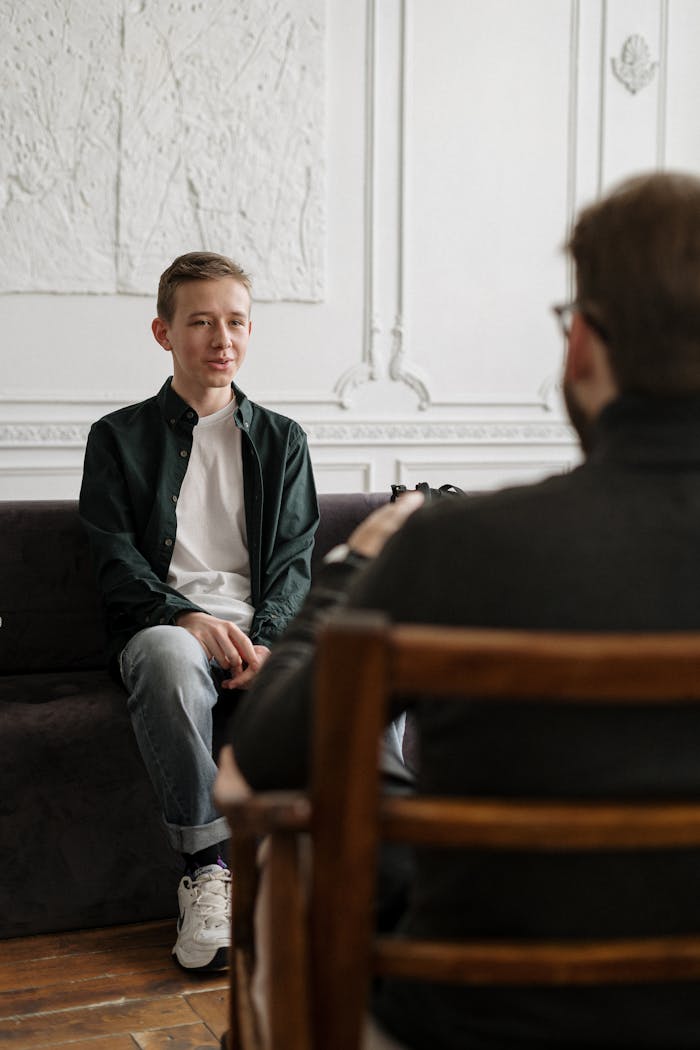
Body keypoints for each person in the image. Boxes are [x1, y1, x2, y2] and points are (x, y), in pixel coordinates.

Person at [216, 170, 700, 1048]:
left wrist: (351, 569)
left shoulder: (453, 547)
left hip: (472, 1024)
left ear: (583, 343)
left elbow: (260, 764)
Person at [79, 251, 319, 972]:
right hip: (164, 632)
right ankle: (208, 871)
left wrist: (268, 640)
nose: (222, 339)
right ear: (164, 332)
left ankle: (348, 881)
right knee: (166, 655)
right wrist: (184, 616)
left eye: (236, 322)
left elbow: (297, 559)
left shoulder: (283, 441)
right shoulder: (117, 439)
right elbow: (113, 558)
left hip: (259, 633)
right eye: (202, 322)